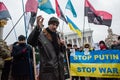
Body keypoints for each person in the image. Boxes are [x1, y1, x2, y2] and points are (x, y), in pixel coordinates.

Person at [27, 15, 65, 80]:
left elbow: (61, 53)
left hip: (59, 70)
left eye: (56, 25)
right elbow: (30, 42)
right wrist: (37, 28)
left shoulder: (57, 36)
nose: (55, 27)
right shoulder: (41, 35)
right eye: (53, 24)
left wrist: (62, 45)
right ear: (49, 24)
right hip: (48, 72)